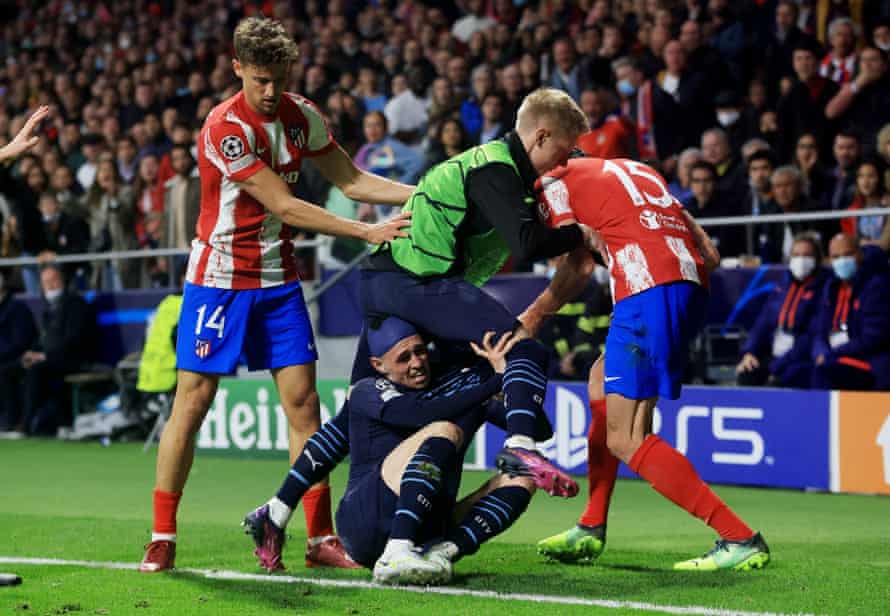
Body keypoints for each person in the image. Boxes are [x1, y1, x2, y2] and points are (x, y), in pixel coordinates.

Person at [139, 17, 413, 574]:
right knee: (191, 404)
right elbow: (284, 205)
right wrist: (366, 231)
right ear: (237, 67)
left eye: (279, 79)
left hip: (279, 280)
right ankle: (162, 534)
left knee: (304, 406)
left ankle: (318, 537)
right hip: (218, 280)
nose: (270, 91)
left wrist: (425, 193)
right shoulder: (225, 127)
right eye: (261, 79)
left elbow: (354, 181)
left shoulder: (301, 115)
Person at [526, 155, 770, 571]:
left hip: (646, 289)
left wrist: (531, 316)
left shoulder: (553, 180)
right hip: (689, 286)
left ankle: (739, 536)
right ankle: (591, 525)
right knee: (600, 382)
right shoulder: (636, 170)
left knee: (627, 437)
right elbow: (707, 253)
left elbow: (580, 264)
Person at [353, 88, 597, 499]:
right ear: (540, 137)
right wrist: (581, 235)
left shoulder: (495, 166)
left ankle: (281, 510)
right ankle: (520, 448)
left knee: (362, 400)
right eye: (564, 147)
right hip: (413, 282)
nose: (565, 158)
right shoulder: (497, 171)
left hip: (390, 279)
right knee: (524, 350)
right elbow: (526, 245)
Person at [244, 319, 549, 582]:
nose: (416, 363)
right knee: (443, 428)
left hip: (431, 523)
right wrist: (492, 380)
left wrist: (509, 380)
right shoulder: (369, 390)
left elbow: (540, 429)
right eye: (404, 358)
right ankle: (396, 550)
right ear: (379, 365)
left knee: (524, 473)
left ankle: (442, 554)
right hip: (366, 522)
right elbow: (416, 413)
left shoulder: (456, 383)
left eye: (420, 352)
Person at [736, 234, 828, 387]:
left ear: (817, 260)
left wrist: (777, 366)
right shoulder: (781, 288)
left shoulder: (823, 290)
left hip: (799, 359)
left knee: (780, 380)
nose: (801, 260)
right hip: (773, 354)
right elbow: (762, 324)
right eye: (796, 255)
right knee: (747, 373)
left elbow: (811, 336)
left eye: (807, 255)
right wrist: (749, 352)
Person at [17, 264, 91, 436]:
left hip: (74, 359)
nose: (50, 285)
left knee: (38, 371)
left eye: (53, 280)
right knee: (16, 366)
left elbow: (74, 339)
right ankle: (13, 421)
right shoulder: (48, 308)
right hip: (51, 359)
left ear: (62, 280)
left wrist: (45, 356)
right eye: (46, 282)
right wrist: (32, 353)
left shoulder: (75, 304)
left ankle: (27, 425)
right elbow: (43, 339)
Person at [810, 233, 890, 391]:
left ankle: (819, 415)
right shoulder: (830, 287)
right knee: (802, 370)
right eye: (836, 257)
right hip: (837, 357)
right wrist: (821, 352)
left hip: (870, 360)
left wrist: (832, 354)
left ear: (859, 254)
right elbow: (819, 331)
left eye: (848, 254)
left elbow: (872, 338)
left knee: (825, 372)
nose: (842, 261)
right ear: (829, 260)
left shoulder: (877, 286)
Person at [0, 267, 37, 433]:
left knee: (3, 371)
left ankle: (10, 421)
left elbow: (19, 343)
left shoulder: (17, 308)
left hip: (16, 359)